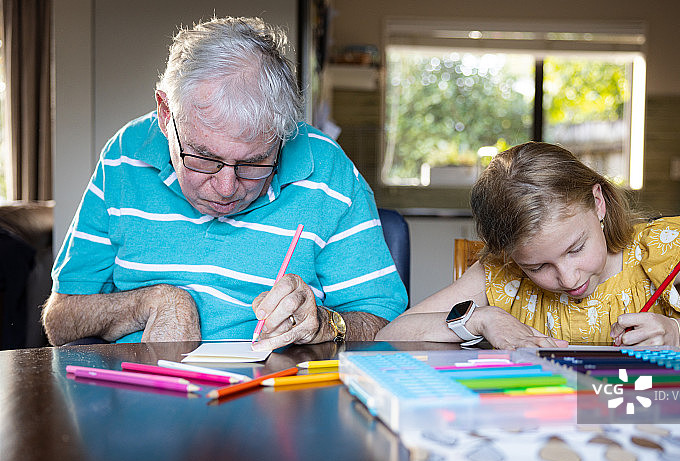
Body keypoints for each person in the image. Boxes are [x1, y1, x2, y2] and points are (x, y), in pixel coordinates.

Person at [43, 16, 407, 349]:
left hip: (279, 407)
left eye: (253, 162)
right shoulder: (125, 156)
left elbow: (386, 323)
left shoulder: (328, 170)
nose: (227, 188)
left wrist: (328, 324)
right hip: (145, 401)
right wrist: (149, 302)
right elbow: (59, 320)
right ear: (166, 113)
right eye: (204, 159)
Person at [376, 142, 680, 357]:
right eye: (538, 265)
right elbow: (390, 335)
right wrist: (481, 319)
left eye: (576, 248)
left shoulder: (663, 251)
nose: (568, 278)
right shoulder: (501, 275)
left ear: (597, 203)